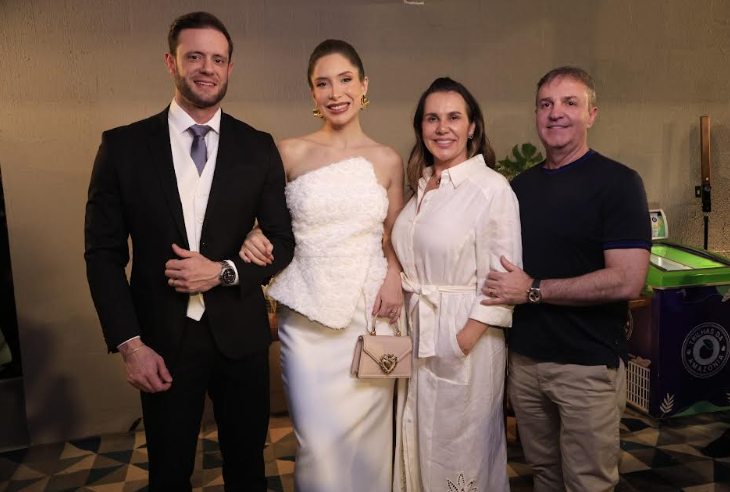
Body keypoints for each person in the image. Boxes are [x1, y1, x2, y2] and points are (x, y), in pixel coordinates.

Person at [84, 12, 294, 492]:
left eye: (217, 59)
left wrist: (223, 272)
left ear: (229, 68)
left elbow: (283, 241)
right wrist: (131, 346)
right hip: (160, 342)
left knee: (248, 471)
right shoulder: (122, 147)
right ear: (171, 62)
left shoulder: (257, 147)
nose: (206, 68)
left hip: (240, 337)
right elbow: (102, 255)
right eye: (194, 56)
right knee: (169, 472)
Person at [239, 40, 404, 492]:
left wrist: (394, 276)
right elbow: (262, 222)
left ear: (364, 85)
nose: (335, 92)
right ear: (312, 93)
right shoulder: (288, 152)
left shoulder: (387, 159)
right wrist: (253, 235)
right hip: (308, 317)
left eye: (345, 80)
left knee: (371, 444)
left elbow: (395, 237)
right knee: (318, 444)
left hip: (369, 316)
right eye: (323, 83)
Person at [481, 66, 651, 492]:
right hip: (526, 364)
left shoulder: (619, 183)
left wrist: (535, 290)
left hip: (586, 366)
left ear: (591, 114)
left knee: (588, 482)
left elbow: (627, 280)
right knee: (544, 476)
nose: (556, 112)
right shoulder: (520, 188)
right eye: (546, 104)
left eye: (570, 103)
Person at [391, 77, 521, 492]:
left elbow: (503, 278)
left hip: (463, 338)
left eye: (453, 117)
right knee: (418, 439)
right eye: (432, 118)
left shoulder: (491, 189)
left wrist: (461, 340)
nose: (442, 127)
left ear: (472, 127)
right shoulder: (422, 186)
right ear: (421, 127)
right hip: (417, 333)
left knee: (460, 451)